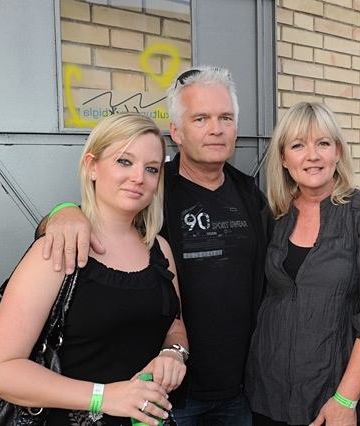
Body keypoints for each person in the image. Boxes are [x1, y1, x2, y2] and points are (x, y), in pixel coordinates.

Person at [40, 66, 271, 425]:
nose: (216, 129)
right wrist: (62, 211)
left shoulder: (250, 193)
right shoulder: (151, 190)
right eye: (201, 118)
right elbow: (94, 223)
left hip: (238, 390)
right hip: (166, 393)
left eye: (225, 117)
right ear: (176, 131)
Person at [0, 112, 188, 425]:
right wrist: (104, 396)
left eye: (151, 168)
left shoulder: (159, 250)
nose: (138, 177)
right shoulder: (57, 250)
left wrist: (174, 353)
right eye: (124, 161)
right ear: (92, 166)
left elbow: (175, 327)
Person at [245, 102, 360, 426]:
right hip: (268, 392)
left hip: (335, 393)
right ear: (283, 158)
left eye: (323, 143)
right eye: (298, 145)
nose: (312, 155)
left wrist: (345, 399)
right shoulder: (274, 215)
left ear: (338, 152)